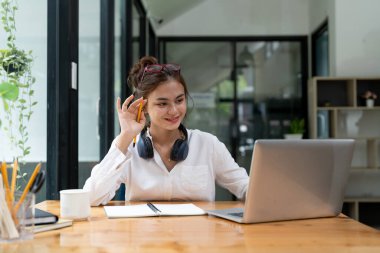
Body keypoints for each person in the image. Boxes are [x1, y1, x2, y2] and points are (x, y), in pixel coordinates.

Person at [83, 56, 249, 206]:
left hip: (197, 238)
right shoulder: (128, 148)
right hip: (143, 239)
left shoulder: (208, 144)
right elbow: (91, 198)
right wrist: (125, 135)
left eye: (179, 100)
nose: (174, 111)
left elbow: (245, 187)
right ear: (144, 107)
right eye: (162, 104)